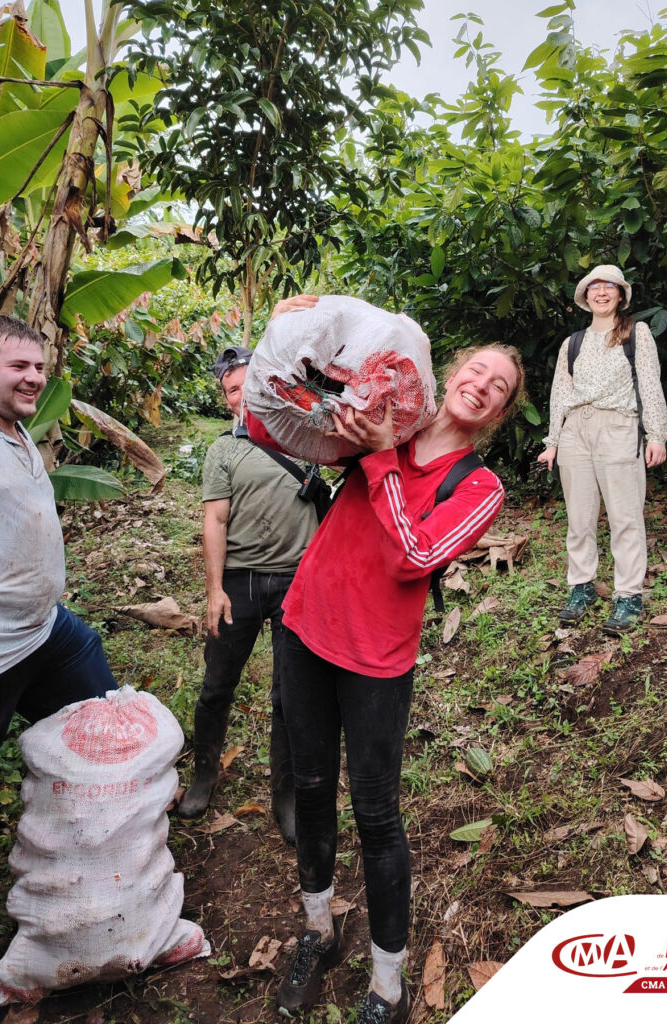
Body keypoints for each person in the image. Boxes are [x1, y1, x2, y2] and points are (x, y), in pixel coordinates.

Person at [253, 296, 524, 1024]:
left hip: (374, 659)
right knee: (310, 785)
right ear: (453, 371)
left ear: (497, 412)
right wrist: (294, 333)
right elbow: (274, 416)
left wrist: (376, 458)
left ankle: (387, 983)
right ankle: (318, 930)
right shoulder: (389, 418)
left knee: (375, 814)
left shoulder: (478, 486)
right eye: (477, 369)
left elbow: (416, 554)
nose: (482, 384)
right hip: (306, 626)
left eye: (497, 386)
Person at [0, 314, 117, 1014]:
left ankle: (101, 874)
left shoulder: (11, 424)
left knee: (108, 733)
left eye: (38, 365)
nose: (32, 377)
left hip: (45, 633)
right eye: (16, 366)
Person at [176, 345, 320, 844]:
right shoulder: (224, 450)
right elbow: (214, 519)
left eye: (249, 385)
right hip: (239, 580)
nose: (241, 395)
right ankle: (204, 774)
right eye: (232, 390)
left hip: (296, 581)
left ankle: (286, 796)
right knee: (217, 684)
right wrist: (214, 589)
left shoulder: (306, 437)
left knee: (289, 694)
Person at [538, 265, 667, 635]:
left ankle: (628, 595)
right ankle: (581, 587)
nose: (601, 292)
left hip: (619, 426)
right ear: (585, 296)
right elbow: (560, 394)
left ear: (621, 295)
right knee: (579, 518)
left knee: (625, 516)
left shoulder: (636, 333)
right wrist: (553, 442)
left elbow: (649, 383)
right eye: (594, 286)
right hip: (577, 430)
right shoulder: (572, 343)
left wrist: (656, 433)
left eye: (609, 286)